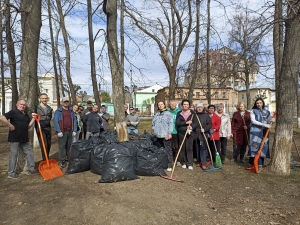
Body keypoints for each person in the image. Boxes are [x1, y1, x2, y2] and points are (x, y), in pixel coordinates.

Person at [0, 99, 37, 179]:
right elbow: (2, 118)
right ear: (17, 105)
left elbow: (28, 126)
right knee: (14, 155)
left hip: (24, 138)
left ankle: (31, 169)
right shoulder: (13, 112)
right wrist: (9, 125)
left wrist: (33, 119)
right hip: (15, 137)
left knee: (30, 152)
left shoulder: (26, 115)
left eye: (24, 105)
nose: (22, 106)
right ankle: (11, 173)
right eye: (21, 104)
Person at [248, 97, 272, 169]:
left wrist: (271, 120)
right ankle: (251, 163)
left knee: (263, 146)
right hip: (255, 132)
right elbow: (253, 121)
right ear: (255, 104)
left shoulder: (267, 112)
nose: (259, 104)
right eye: (257, 103)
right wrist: (264, 124)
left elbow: (270, 121)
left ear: (263, 103)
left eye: (260, 103)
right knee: (254, 146)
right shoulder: (253, 111)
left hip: (264, 132)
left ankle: (260, 164)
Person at [54, 97, 77, 168]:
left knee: (68, 146)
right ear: (62, 102)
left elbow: (74, 121)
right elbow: (55, 122)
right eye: (64, 101)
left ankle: (66, 158)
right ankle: (62, 160)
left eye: (67, 101)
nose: (66, 102)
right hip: (62, 132)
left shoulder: (71, 111)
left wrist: (74, 130)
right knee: (62, 147)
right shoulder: (58, 111)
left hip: (70, 131)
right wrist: (58, 131)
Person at [152, 101, 173, 171]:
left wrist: (169, 133)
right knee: (160, 150)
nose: (160, 106)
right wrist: (154, 130)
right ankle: (162, 163)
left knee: (168, 150)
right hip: (158, 135)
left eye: (161, 104)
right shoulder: (157, 114)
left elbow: (171, 124)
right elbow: (153, 123)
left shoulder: (168, 114)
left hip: (166, 135)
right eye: (159, 105)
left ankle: (170, 165)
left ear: (164, 105)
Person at [176, 99, 195, 170]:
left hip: (190, 133)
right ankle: (184, 162)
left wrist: (192, 126)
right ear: (182, 105)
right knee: (183, 148)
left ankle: (190, 163)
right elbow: (178, 123)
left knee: (189, 148)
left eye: (187, 104)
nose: (185, 106)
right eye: (184, 104)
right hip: (181, 133)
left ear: (189, 105)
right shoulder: (179, 113)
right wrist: (186, 123)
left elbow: (196, 123)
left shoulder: (193, 113)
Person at [193, 103, 211, 170]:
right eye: (198, 108)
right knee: (197, 149)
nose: (199, 108)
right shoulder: (194, 116)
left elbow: (209, 124)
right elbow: (192, 124)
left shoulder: (206, 116)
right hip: (196, 135)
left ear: (203, 108)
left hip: (203, 135)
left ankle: (203, 163)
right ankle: (199, 161)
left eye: (200, 107)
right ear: (196, 109)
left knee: (203, 149)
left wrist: (205, 129)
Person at [35, 93, 53, 161]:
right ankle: (45, 159)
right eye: (43, 98)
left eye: (45, 98)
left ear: (47, 99)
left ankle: (47, 157)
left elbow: (50, 117)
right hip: (40, 127)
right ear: (40, 99)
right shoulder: (37, 107)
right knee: (44, 144)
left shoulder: (49, 108)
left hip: (48, 126)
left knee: (48, 144)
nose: (44, 99)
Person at [168, 100, 181, 166]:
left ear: (176, 105)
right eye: (171, 104)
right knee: (169, 146)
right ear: (169, 105)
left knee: (176, 146)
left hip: (176, 132)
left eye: (174, 104)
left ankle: (177, 159)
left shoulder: (179, 112)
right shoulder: (167, 111)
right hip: (168, 132)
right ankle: (169, 159)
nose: (172, 105)